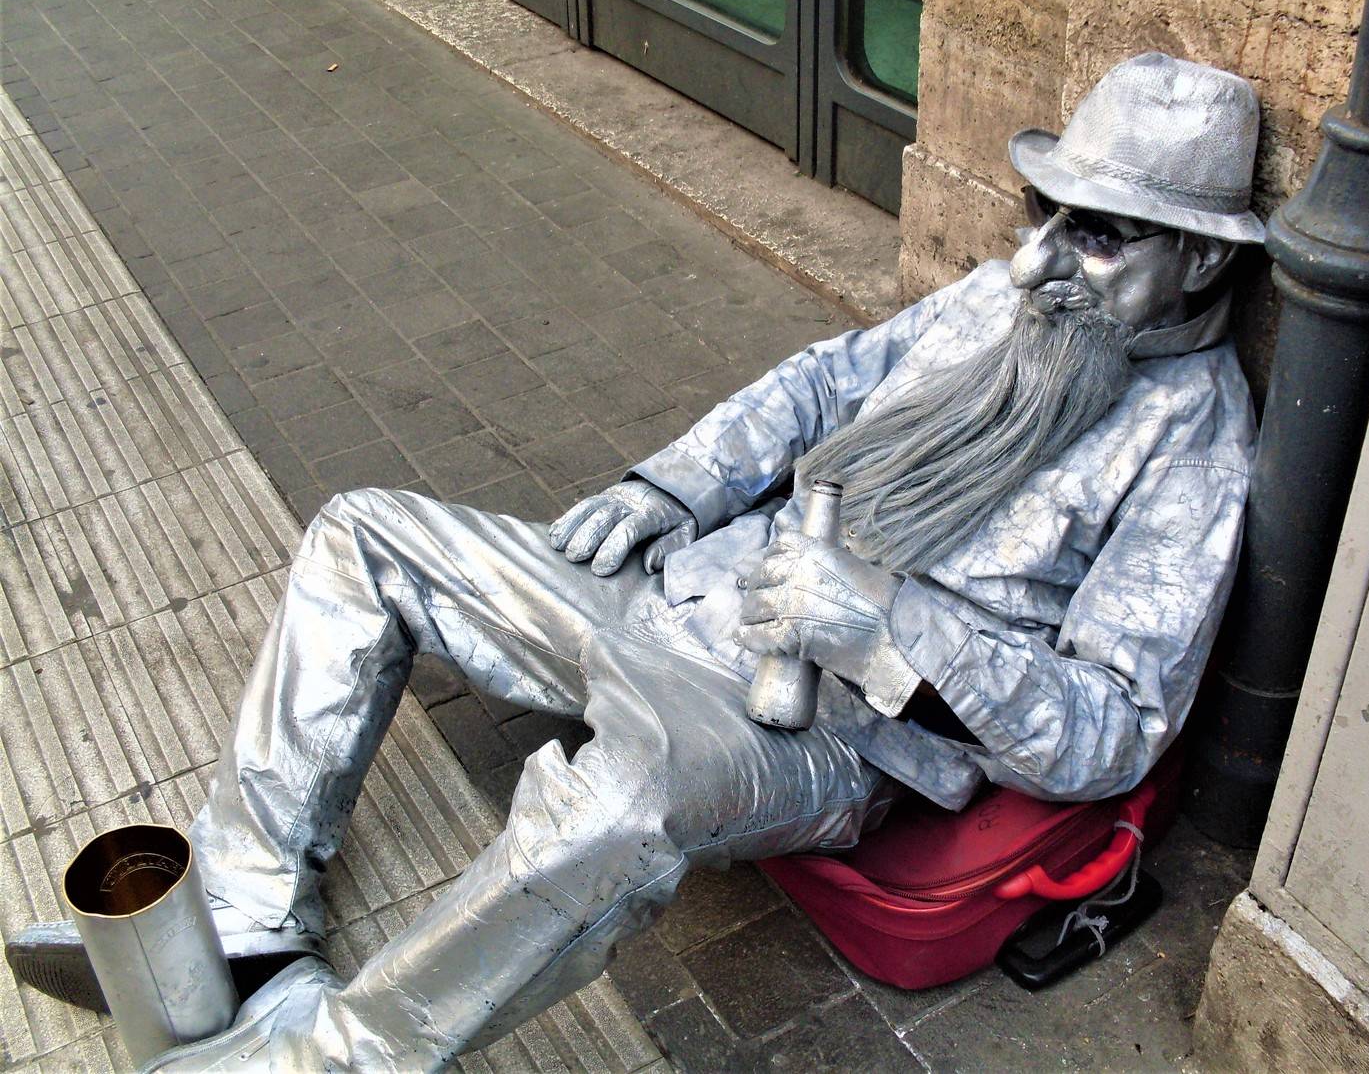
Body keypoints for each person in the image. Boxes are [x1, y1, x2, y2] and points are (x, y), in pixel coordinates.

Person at [9, 52, 1262, 1071]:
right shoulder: (1005, 299)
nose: (1038, 260)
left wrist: (888, 629)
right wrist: (670, 483)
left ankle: (323, 1062)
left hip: (813, 725)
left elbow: (1113, 731)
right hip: (685, 588)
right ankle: (244, 917)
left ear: (1202, 257)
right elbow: (821, 383)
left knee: (617, 806)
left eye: (1099, 237)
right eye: (1043, 214)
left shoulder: (1195, 448)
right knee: (363, 531)